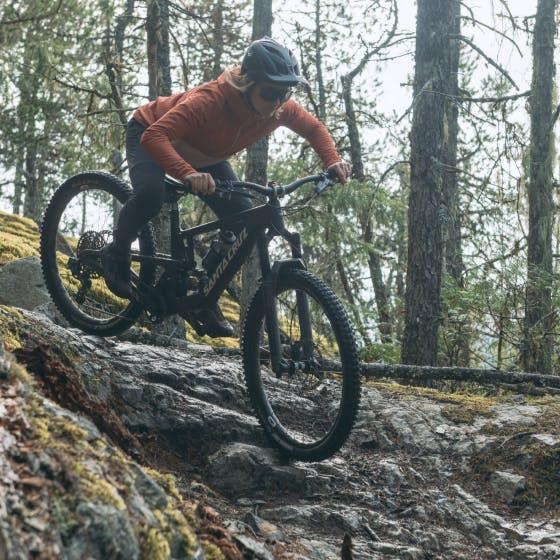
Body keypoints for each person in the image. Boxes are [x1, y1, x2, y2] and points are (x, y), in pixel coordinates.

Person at [103, 37, 352, 337]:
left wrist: (332, 161)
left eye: (284, 93)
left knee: (245, 217)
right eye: (271, 92)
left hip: (206, 154)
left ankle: (202, 296)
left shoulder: (278, 108)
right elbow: (154, 137)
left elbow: (313, 128)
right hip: (150, 132)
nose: (277, 102)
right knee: (151, 195)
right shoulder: (209, 101)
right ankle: (115, 256)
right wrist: (187, 173)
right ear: (248, 84)